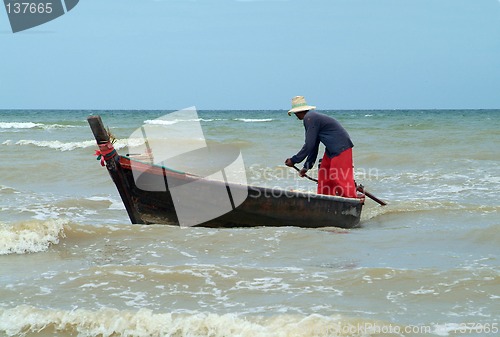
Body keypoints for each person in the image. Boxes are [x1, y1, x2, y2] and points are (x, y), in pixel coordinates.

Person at [284, 96, 357, 198]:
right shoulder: (312, 117)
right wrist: (306, 167)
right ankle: (325, 199)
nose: (296, 116)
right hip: (331, 151)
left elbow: (309, 145)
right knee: (324, 176)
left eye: (295, 114)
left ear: (297, 112)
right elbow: (313, 146)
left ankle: (351, 201)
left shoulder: (309, 118)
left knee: (339, 178)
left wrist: (294, 160)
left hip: (341, 148)